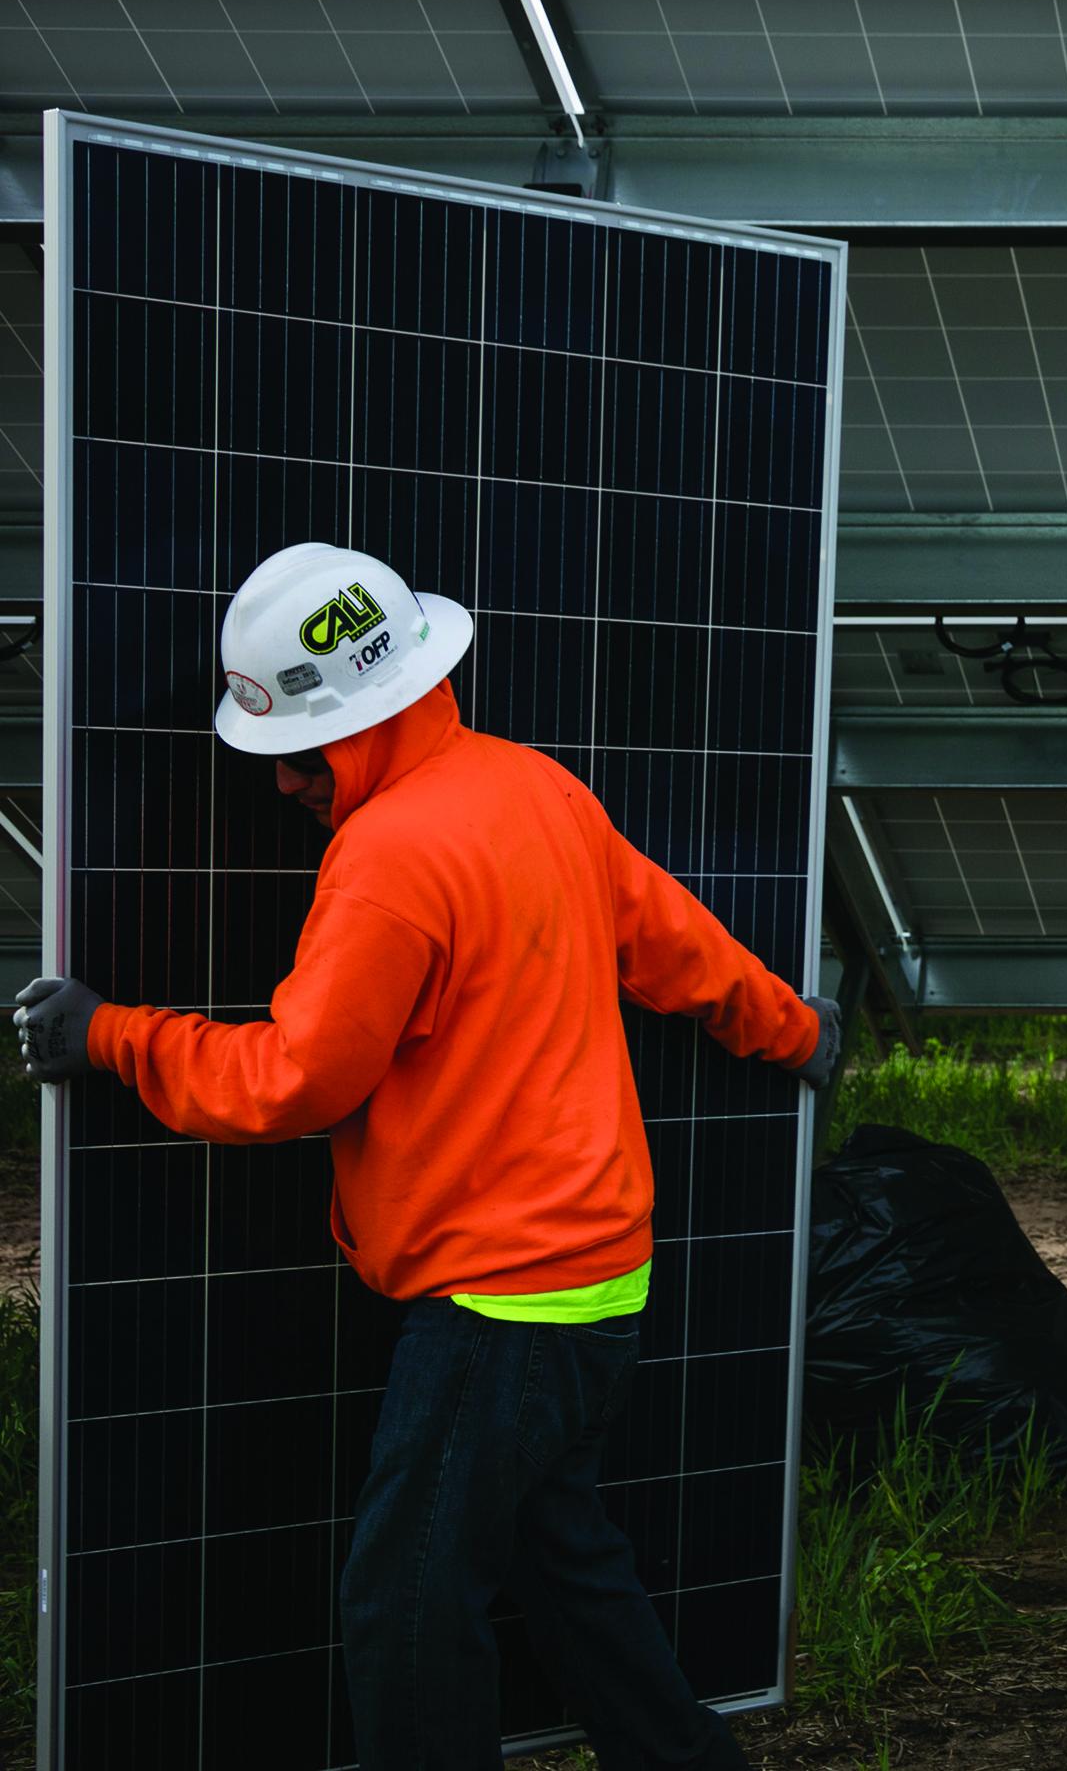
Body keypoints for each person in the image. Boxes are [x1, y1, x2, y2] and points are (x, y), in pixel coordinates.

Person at [16, 541, 839, 1771]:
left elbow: (294, 1083)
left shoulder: (388, 861)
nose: (284, 785)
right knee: (570, 1574)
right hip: (599, 1273)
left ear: (350, 730)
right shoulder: (538, 789)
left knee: (402, 1609)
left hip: (500, 1300)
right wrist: (801, 1031)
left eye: (294, 757)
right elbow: (677, 941)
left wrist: (110, 1036)